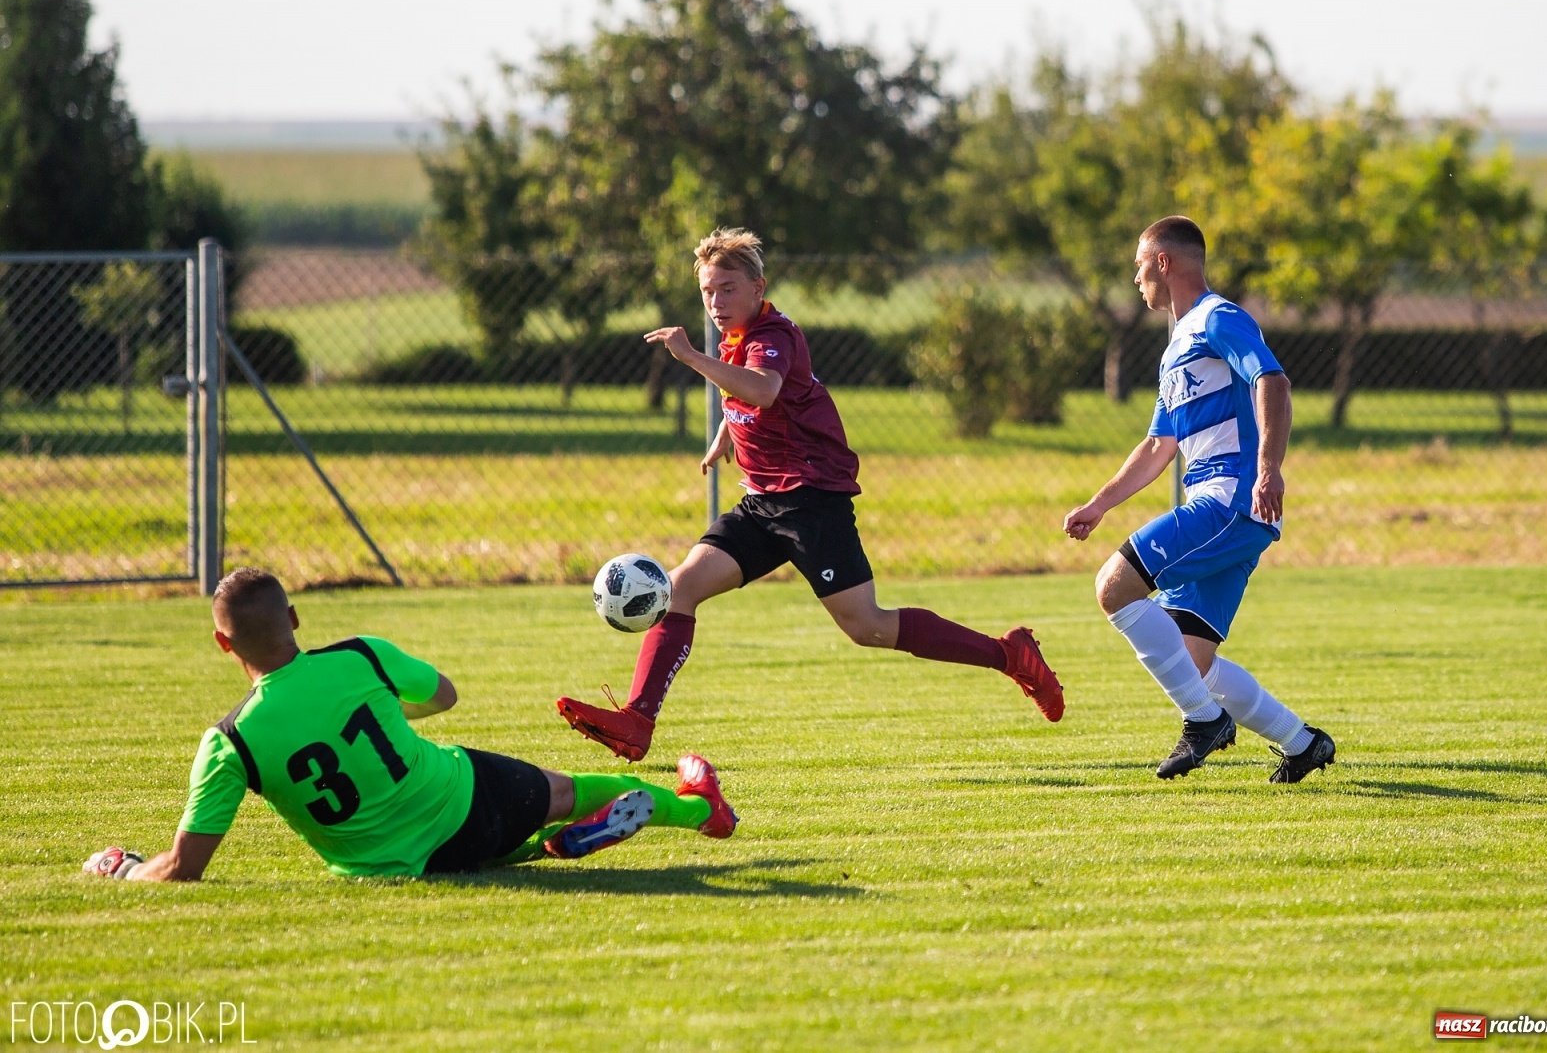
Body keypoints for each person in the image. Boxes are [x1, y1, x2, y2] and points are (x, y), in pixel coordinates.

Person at [556, 228, 1063, 762]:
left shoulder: (772, 334)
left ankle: (1010, 655)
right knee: (679, 588)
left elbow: (765, 388)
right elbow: (758, 397)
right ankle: (637, 720)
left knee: (868, 627)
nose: (716, 302)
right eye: (707, 291)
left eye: (728, 289)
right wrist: (727, 432)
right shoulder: (737, 339)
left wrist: (689, 357)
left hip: (811, 501)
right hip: (761, 503)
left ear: (758, 288)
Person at [83, 567, 737, 881]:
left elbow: (183, 869)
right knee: (568, 789)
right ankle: (697, 811)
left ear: (224, 645)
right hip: (465, 801)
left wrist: (123, 868)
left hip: (387, 866)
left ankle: (544, 849)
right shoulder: (359, 656)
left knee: (480, 853)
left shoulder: (229, 742)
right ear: (296, 619)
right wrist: (387, 710)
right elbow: (444, 696)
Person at [1062, 216, 1337, 783]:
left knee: (1114, 586)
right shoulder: (1175, 348)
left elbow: (1273, 381)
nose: (1135, 277)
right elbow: (1157, 446)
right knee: (1192, 661)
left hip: (1229, 501)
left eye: (1139, 264)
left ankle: (1204, 722)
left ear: (1163, 263)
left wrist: (1268, 469)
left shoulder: (1219, 318)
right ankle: (1302, 742)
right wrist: (1099, 504)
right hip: (1232, 511)